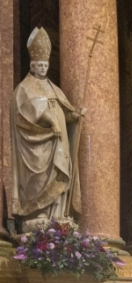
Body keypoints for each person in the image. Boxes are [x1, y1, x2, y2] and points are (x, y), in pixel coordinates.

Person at [10, 27, 85, 231]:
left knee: (60, 176)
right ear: (32, 66)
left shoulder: (55, 88)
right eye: (39, 65)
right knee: (41, 178)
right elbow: (26, 112)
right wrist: (49, 121)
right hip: (39, 147)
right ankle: (38, 214)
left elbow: (64, 110)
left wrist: (74, 115)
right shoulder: (25, 88)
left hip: (59, 144)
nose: (43, 68)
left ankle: (58, 215)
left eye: (45, 65)